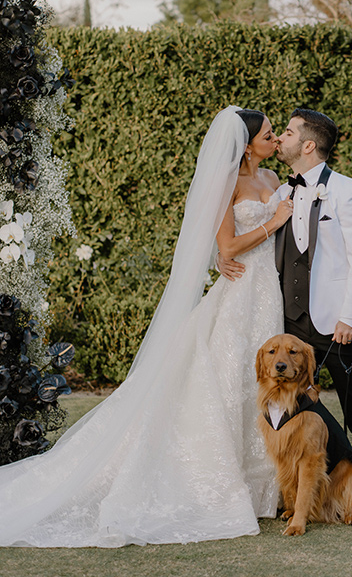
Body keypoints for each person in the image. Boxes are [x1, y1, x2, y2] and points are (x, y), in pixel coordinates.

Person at [0, 106, 292, 547]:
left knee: (268, 386)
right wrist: (272, 222)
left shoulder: (273, 180)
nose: (274, 139)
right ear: (246, 145)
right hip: (241, 291)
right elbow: (228, 245)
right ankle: (228, 483)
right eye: (268, 134)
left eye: (275, 133)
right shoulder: (227, 183)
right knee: (230, 381)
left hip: (271, 290)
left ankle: (272, 485)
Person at [219, 108, 352, 516]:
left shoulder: (349, 191)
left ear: (308, 145)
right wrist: (221, 260)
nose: (280, 138)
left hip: (337, 324)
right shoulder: (279, 191)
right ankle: (292, 483)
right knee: (295, 406)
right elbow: (252, 238)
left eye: (289, 132)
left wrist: (351, 316)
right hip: (290, 325)